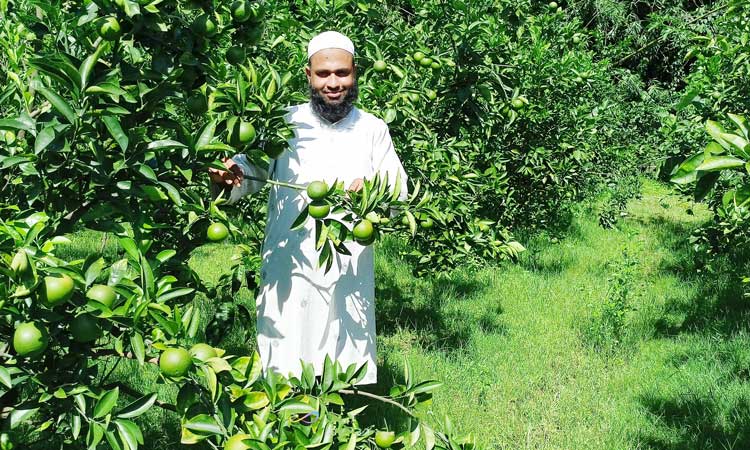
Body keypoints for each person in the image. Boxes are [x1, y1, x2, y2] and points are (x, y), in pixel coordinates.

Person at [209, 31, 408, 384]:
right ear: (308, 75)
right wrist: (230, 176)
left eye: (342, 73)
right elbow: (252, 170)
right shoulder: (285, 122)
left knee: (342, 360)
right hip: (290, 262)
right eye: (324, 74)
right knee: (286, 354)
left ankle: (338, 427)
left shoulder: (372, 128)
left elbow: (398, 190)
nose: (333, 83)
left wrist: (374, 191)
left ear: (355, 73)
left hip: (348, 264)